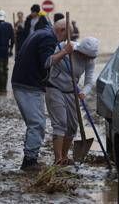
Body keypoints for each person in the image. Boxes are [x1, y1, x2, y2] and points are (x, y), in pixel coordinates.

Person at [11, 19, 74, 170]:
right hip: (28, 85)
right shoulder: (48, 38)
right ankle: (30, 162)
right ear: (61, 30)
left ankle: (30, 158)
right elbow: (46, 62)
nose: (64, 41)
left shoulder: (41, 32)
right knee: (37, 123)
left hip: (24, 82)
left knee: (36, 122)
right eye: (65, 37)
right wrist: (65, 51)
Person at [45, 37, 99, 165]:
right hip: (54, 88)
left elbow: (89, 80)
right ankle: (58, 159)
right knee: (61, 122)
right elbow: (48, 62)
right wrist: (64, 52)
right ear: (80, 51)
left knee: (72, 126)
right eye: (85, 55)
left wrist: (83, 92)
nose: (87, 59)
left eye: (90, 57)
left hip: (72, 92)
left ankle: (64, 156)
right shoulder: (65, 46)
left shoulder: (89, 60)